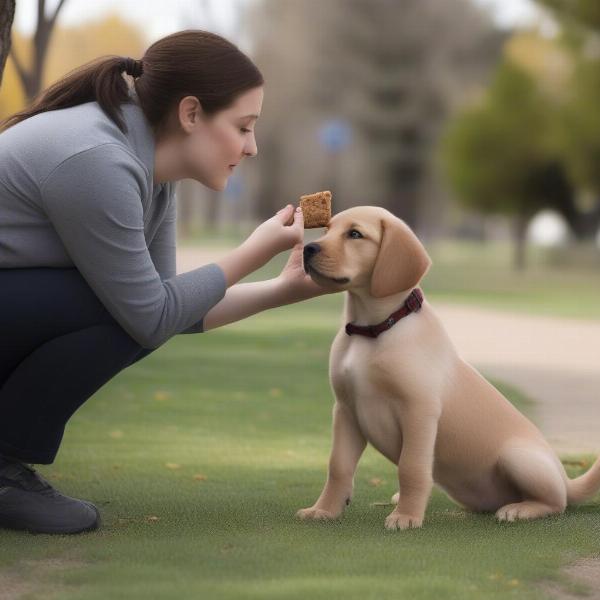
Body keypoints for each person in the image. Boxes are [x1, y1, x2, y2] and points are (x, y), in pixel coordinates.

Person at [0, 30, 328, 535]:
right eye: (243, 127)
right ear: (191, 113)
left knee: (127, 302)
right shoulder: (98, 159)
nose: (252, 146)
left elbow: (167, 308)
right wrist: (252, 253)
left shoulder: (150, 168)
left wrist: (281, 289)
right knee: (116, 304)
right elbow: (149, 314)